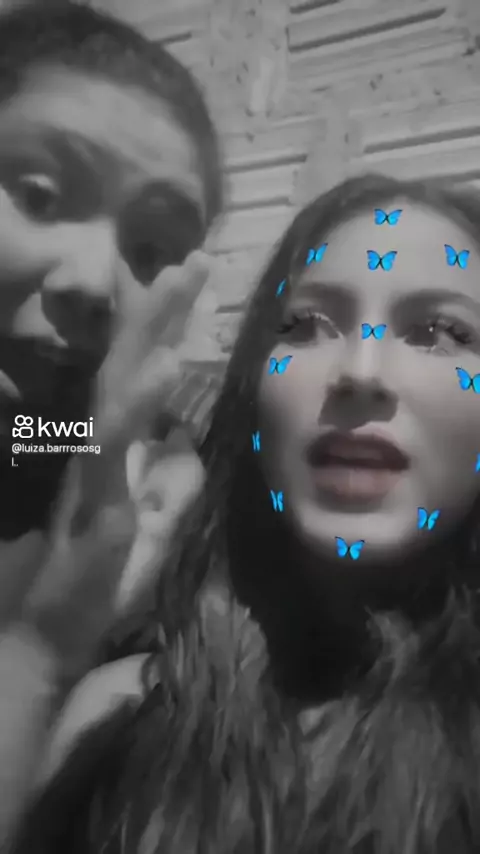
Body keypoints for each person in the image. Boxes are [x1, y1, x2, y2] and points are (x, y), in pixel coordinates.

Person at [12, 169, 480, 854]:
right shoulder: (117, 714)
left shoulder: (163, 427)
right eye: (306, 325)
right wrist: (42, 651)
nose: (361, 371)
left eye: (440, 331)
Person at [0, 0, 224, 842]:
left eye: (151, 252)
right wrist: (39, 651)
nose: (94, 282)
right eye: (38, 194)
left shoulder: (98, 457)